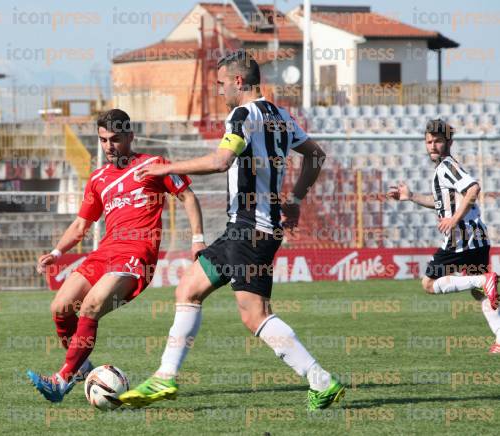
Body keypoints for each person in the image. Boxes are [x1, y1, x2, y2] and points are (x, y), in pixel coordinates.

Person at [120, 50, 345, 411]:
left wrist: (165, 168)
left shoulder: (242, 114)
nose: (220, 91)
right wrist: (296, 199)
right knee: (189, 288)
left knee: (254, 314)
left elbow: (221, 161)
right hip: (243, 228)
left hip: (251, 229)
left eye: (222, 84)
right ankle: (164, 378)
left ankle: (321, 379)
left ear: (238, 81)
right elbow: (315, 155)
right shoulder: (281, 115)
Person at [27, 109, 206, 402]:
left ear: (130, 137)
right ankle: (82, 367)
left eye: (115, 139)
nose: (109, 146)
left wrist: (197, 240)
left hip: (136, 255)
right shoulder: (98, 178)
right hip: (105, 253)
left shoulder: (153, 165)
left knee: (91, 305)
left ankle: (61, 381)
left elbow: (187, 196)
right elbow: (82, 224)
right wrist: (57, 251)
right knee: (60, 307)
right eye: (103, 140)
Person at [387, 119, 499, 353]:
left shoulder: (447, 165)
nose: (432, 146)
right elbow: (440, 203)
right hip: (476, 237)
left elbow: (474, 189)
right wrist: (411, 196)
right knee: (481, 294)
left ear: (449, 142)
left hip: (461, 237)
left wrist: (454, 219)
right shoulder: (442, 170)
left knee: (428, 284)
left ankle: (484, 280)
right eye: (428, 142)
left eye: (437, 141)